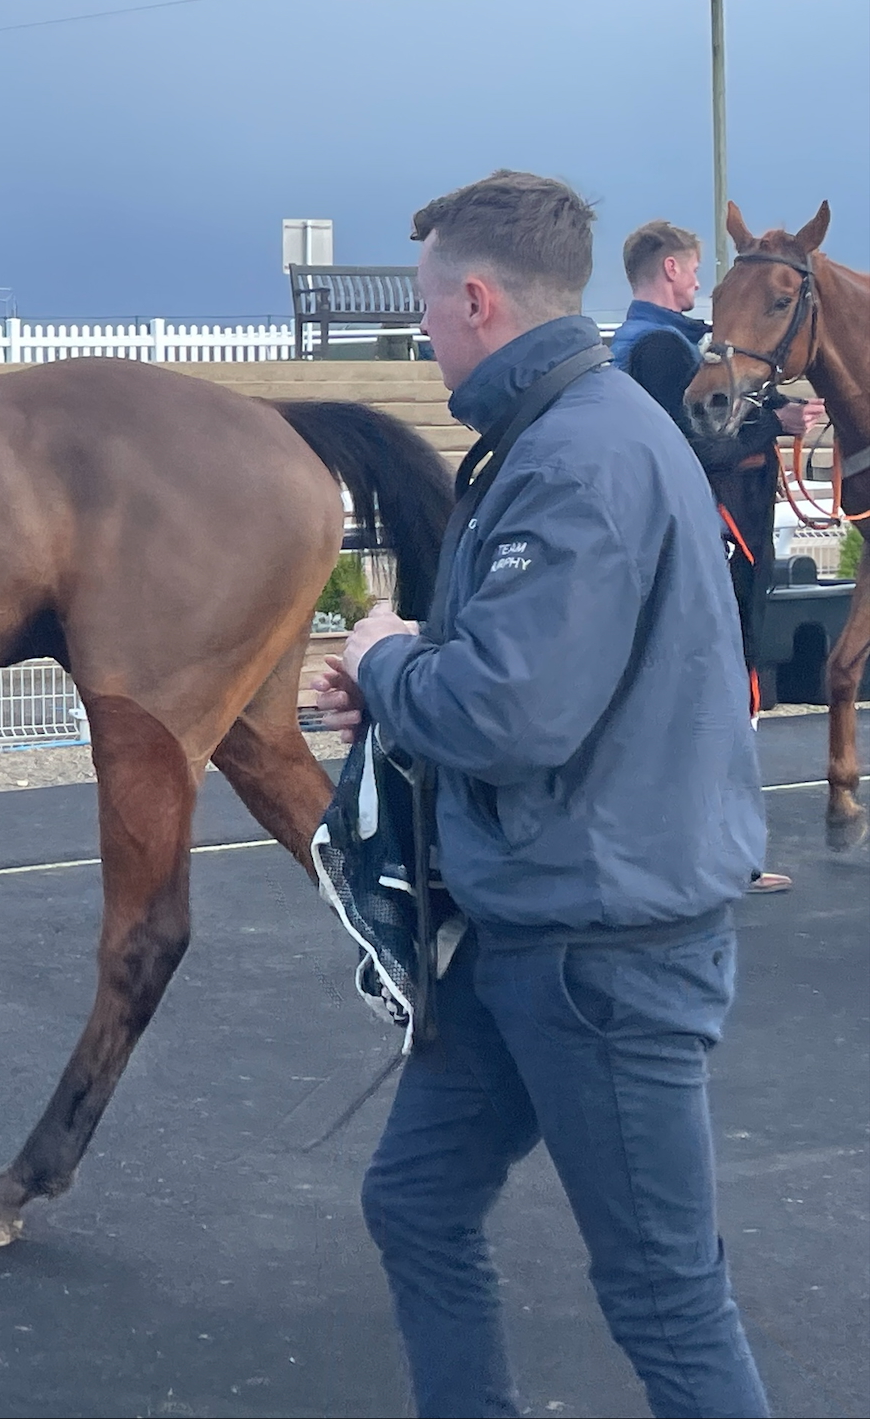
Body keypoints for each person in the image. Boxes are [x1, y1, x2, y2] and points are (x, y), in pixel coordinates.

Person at [315, 172, 769, 1419]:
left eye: (424, 308)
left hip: (600, 948)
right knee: (412, 1200)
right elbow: (530, 678)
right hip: (542, 921)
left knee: (666, 1299)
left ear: (473, 297)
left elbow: (511, 714)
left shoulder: (571, 456)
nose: (423, 334)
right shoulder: (577, 427)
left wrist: (385, 660)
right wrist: (406, 685)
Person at [616, 218, 815, 893]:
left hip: (691, 534)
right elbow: (699, 442)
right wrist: (776, 422)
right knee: (722, 694)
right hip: (715, 531)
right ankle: (725, 853)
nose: (699, 282)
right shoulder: (663, 352)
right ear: (671, 270)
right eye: (695, 270)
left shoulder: (650, 342)